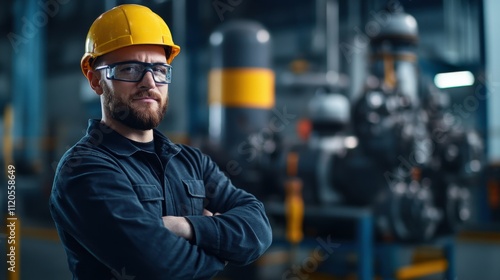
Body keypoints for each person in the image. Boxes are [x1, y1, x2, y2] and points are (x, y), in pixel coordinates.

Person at [49, 4, 273, 280]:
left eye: (158, 69)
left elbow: (258, 229)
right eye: (130, 69)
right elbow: (160, 268)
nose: (149, 83)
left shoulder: (192, 162)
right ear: (96, 80)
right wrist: (222, 253)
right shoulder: (84, 169)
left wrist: (187, 228)